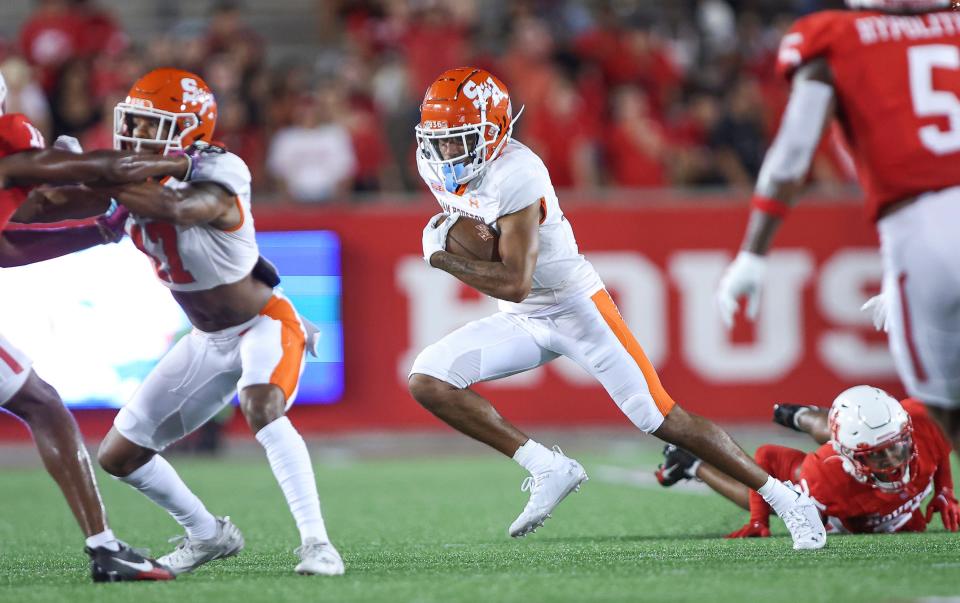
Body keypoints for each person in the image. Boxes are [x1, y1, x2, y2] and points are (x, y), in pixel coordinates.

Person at [408, 67, 826, 550]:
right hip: (522, 321)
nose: (446, 155)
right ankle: (546, 466)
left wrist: (441, 257)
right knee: (428, 379)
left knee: (662, 418)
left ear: (495, 130)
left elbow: (516, 282)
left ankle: (788, 499)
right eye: (439, 142)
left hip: (573, 307)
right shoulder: (435, 162)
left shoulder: (517, 172)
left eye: (459, 141)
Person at [42, 68, 343, 576]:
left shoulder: (221, 169)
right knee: (119, 455)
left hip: (262, 321)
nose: (135, 135)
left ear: (189, 130)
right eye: (132, 122)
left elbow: (177, 207)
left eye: (149, 124)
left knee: (261, 405)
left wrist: (95, 171)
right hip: (208, 337)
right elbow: (53, 206)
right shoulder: (131, 175)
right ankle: (208, 534)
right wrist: (50, 173)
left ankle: (318, 545)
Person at [715, 1, 960, 454]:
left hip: (919, 233)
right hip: (924, 229)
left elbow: (792, 155)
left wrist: (752, 254)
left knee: (945, 414)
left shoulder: (838, 38)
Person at [0, 72, 175, 582]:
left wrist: (99, 221)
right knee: (44, 405)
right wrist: (180, 162)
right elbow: (91, 172)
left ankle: (106, 547)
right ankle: (105, 548)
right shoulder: (13, 143)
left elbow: (26, 224)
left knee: (42, 402)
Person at [657, 386, 958, 537]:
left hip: (873, 494)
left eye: (899, 447)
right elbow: (767, 457)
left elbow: (939, 445)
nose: (893, 461)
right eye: (877, 455)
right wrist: (758, 519)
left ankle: (800, 415)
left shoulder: (924, 423)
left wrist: (945, 490)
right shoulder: (826, 477)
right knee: (773, 499)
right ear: (848, 458)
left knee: (862, 432)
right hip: (836, 488)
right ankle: (689, 463)